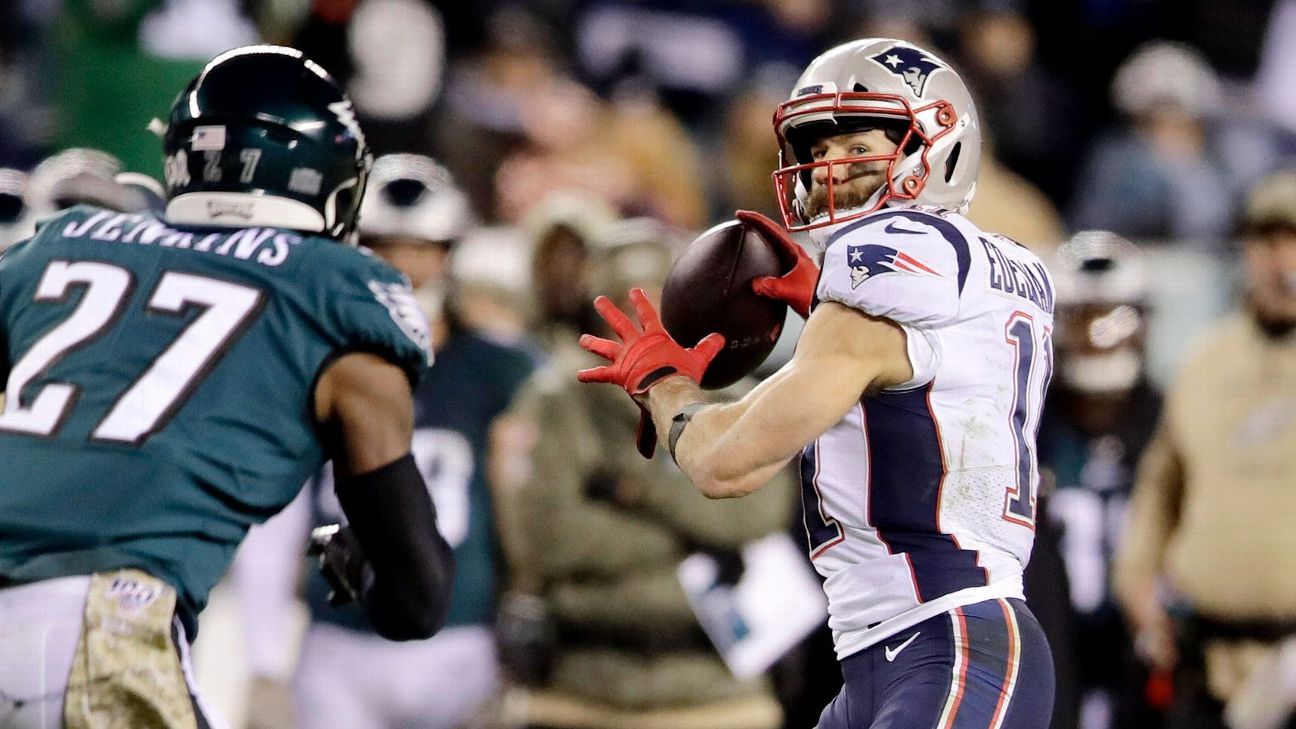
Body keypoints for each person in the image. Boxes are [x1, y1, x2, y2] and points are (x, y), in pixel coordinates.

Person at [578, 37, 1056, 728]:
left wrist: (664, 385)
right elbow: (925, 370)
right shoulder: (997, 265)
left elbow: (727, 463)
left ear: (937, 140)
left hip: (948, 638)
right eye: (816, 146)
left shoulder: (887, 259)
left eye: (855, 140)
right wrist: (831, 305)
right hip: (890, 653)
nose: (826, 163)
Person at [0, 45, 454, 729]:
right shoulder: (336, 288)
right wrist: (372, 558)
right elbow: (418, 599)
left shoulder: (62, 242)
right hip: (99, 623)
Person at [237, 153, 535, 729]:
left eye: (419, 248)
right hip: (339, 639)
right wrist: (265, 660)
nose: (401, 268)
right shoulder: (307, 357)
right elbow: (275, 519)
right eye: (383, 247)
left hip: (461, 640)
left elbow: (523, 506)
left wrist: (522, 616)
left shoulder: (502, 367)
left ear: (450, 252)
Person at [498, 219, 795, 714]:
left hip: (715, 690)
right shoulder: (557, 400)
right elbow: (549, 537)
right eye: (625, 303)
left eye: (661, 298)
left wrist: (635, 494)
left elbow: (759, 517)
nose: (646, 320)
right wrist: (695, 532)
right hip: (583, 688)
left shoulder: (734, 397)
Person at [1113, 168, 1296, 729]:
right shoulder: (1203, 363)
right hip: (1207, 664)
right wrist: (1139, 594)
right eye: (1268, 241)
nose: (1284, 263)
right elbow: (1157, 495)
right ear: (1245, 250)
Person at [1026, 232, 1165, 729]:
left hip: (1151, 663)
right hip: (1050, 657)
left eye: (1115, 318)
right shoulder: (1021, 427)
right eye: (1083, 317)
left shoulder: (1172, 424)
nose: (1098, 335)